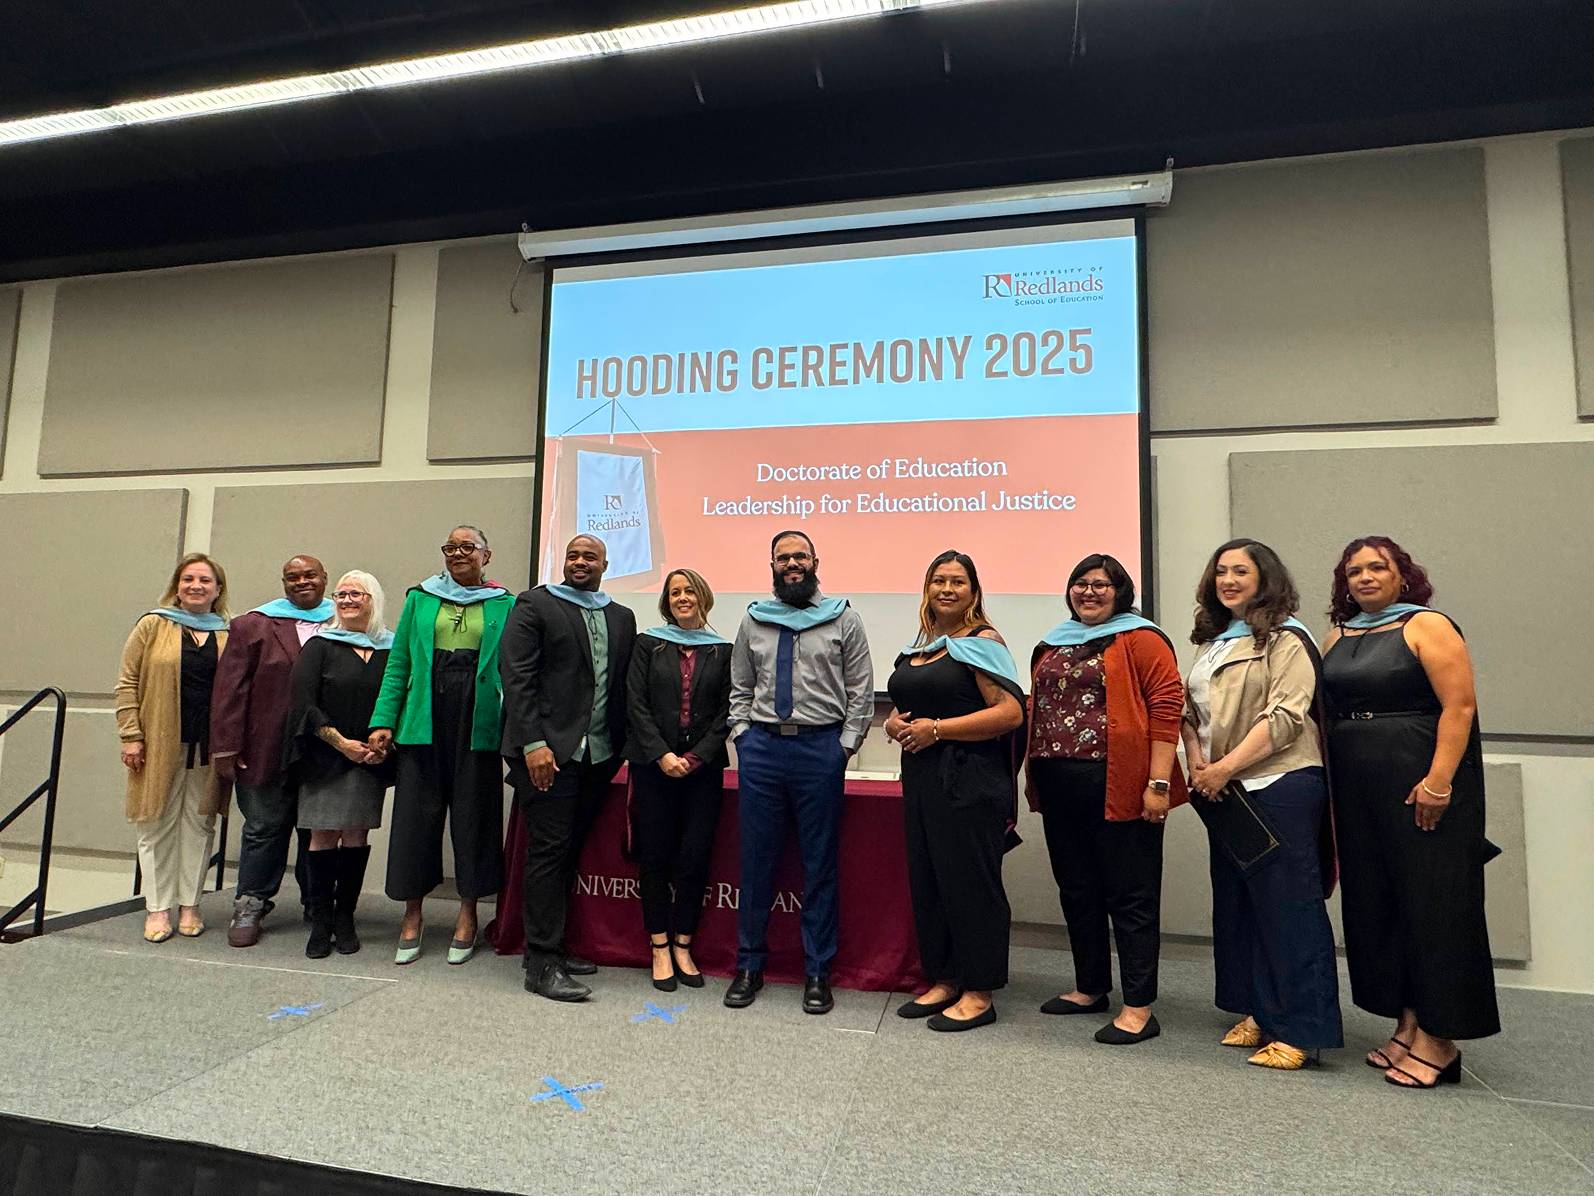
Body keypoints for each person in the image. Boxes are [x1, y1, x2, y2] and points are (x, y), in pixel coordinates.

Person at [1322, 536, 1500, 1089]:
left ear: (1404, 576)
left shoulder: (1427, 625)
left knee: (1433, 904)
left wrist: (1439, 783)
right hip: (1358, 792)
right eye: (1355, 571)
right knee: (1382, 905)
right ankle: (1407, 1021)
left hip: (1421, 785)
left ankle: (1440, 1040)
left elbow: (1460, 705)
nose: (1366, 577)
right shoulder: (1336, 636)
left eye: (1379, 567)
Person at [1183, 537, 1342, 1070]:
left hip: (1280, 784)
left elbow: (1284, 718)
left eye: (1241, 571)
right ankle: (1262, 1010)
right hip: (1225, 791)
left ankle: (1302, 1030)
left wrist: (1223, 768)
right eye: (1221, 571)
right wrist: (1199, 767)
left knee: (1289, 911)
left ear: (1264, 578)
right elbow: (1190, 716)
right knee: (1240, 908)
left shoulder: (1287, 638)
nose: (1228, 580)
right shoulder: (1215, 641)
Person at [1026, 553, 1187, 1046]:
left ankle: (1139, 1006)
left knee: (1131, 895)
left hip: (1120, 782)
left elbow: (1167, 706)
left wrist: (1158, 783)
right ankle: (1090, 987)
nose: (1089, 592)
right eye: (1081, 584)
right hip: (1059, 785)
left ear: (1121, 592)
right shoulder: (1052, 641)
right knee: (1077, 889)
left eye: (1101, 585)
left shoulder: (1141, 639)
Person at [725, 530, 873, 1014]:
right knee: (756, 862)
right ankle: (749, 965)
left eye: (799, 556)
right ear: (771, 564)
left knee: (819, 865)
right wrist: (744, 738)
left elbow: (860, 689)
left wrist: (844, 747)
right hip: (763, 750)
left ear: (814, 561)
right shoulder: (754, 619)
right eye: (783, 557)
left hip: (819, 750)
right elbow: (739, 686)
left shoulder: (843, 618)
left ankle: (817, 971)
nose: (792, 563)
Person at [884, 550, 1024, 1032]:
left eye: (957, 582)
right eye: (938, 581)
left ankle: (979, 990)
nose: (947, 589)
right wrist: (894, 721)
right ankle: (944, 978)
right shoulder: (922, 645)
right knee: (931, 883)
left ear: (973, 592)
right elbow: (914, 705)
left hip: (969, 782)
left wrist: (938, 730)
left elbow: (1009, 714)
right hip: (923, 781)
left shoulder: (983, 642)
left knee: (971, 887)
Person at [500, 534, 637, 1002]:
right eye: (573, 555)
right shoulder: (535, 604)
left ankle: (552, 945)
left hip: (598, 755)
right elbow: (516, 677)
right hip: (548, 754)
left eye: (589, 557)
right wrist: (533, 743)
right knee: (548, 852)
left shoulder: (621, 617)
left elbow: (620, 686)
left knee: (568, 851)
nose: (580, 562)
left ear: (605, 563)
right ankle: (541, 963)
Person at [368, 527, 513, 966]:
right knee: (416, 819)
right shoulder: (420, 598)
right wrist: (382, 721)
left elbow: (513, 668)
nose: (458, 554)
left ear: (487, 555)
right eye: (451, 548)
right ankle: (413, 914)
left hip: (478, 718)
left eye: (468, 548)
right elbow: (399, 664)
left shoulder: (504, 602)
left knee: (473, 817)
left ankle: (468, 913)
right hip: (423, 716)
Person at [211, 554, 333, 947]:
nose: (302, 582)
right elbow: (229, 690)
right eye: (293, 577)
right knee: (264, 827)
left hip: (325, 749)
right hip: (264, 746)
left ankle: (319, 904)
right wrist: (227, 746)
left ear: (324, 579)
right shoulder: (253, 625)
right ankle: (251, 902)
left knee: (317, 829)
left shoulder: (344, 622)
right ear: (283, 583)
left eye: (309, 575)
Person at [625, 568, 732, 992]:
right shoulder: (648, 643)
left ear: (703, 597)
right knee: (655, 858)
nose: (682, 598)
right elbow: (634, 702)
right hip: (653, 768)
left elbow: (728, 709)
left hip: (701, 771)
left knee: (694, 858)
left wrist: (695, 756)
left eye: (689, 591)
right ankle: (659, 946)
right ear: (666, 601)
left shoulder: (722, 649)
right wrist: (663, 755)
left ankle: (684, 943)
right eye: (675, 593)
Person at [116, 553, 231, 944]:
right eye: (188, 579)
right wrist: (131, 734)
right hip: (157, 743)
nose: (196, 586)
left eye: (204, 580)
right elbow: (127, 681)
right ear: (176, 587)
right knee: (155, 824)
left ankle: (190, 905)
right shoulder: (153, 625)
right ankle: (157, 907)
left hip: (208, 748)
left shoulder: (227, 634)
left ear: (218, 590)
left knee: (199, 825)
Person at [284, 571, 396, 959]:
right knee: (323, 835)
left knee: (356, 835)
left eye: (356, 594)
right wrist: (341, 743)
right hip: (324, 757)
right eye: (342, 594)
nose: (347, 600)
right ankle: (320, 921)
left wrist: (383, 742)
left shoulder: (390, 648)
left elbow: (398, 697)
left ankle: (345, 917)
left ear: (373, 599)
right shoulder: (319, 645)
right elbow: (302, 703)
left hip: (371, 758)